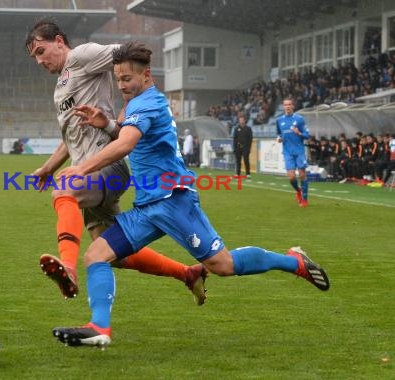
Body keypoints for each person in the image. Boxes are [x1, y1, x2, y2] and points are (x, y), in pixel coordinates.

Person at [52, 41, 330, 347]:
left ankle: (294, 261)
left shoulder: (148, 102)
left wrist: (83, 169)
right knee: (96, 255)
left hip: (174, 200)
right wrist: (107, 124)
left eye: (127, 79)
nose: (121, 86)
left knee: (223, 266)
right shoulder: (138, 104)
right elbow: (129, 134)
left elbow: (128, 143)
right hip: (147, 207)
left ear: (147, 76)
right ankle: (99, 328)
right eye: (117, 79)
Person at [24, 20, 207, 305]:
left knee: (64, 190)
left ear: (59, 41)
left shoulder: (81, 56)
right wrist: (49, 167)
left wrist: (132, 106)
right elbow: (72, 138)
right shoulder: (61, 86)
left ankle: (68, 268)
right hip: (88, 170)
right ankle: (188, 274)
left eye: (41, 50)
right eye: (34, 56)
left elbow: (127, 54)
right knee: (111, 252)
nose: (39, 60)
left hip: (105, 166)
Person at [276, 98, 310, 207]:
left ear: (293, 106)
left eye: (289, 104)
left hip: (299, 151)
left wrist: (299, 132)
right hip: (287, 152)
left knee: (302, 174)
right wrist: (279, 138)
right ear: (283, 106)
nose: (287, 106)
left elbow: (307, 135)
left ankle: (305, 199)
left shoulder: (300, 119)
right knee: (291, 177)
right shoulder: (279, 120)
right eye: (285, 104)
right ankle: (298, 190)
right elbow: (278, 134)